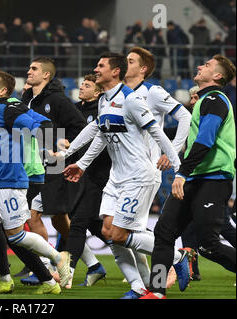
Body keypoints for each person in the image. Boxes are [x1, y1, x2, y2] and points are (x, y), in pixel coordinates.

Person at [62, 52, 190, 299]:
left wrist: (177, 165)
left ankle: (177, 257)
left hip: (140, 175)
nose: (95, 69)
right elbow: (100, 133)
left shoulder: (136, 98)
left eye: (101, 66)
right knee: (110, 234)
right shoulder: (105, 100)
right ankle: (138, 287)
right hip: (116, 177)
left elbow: (158, 132)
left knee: (121, 234)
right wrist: (80, 161)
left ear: (116, 71)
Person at [0, 69, 71, 296]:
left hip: (10, 183)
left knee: (16, 236)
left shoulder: (8, 110)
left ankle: (58, 258)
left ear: (3, 90)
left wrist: (50, 144)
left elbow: (37, 126)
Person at [143, 56, 236, 299]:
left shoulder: (215, 100)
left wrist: (181, 173)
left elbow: (205, 141)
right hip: (195, 178)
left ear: (217, 76)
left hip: (212, 180)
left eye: (206, 65)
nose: (199, 66)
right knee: (163, 234)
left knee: (208, 245)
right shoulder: (205, 101)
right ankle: (157, 290)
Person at [124, 46, 192, 287]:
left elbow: (185, 116)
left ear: (143, 69)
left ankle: (173, 261)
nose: (125, 64)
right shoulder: (119, 95)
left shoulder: (152, 92)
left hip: (144, 171)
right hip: (121, 172)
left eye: (130, 61)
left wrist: (171, 149)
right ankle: (147, 282)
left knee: (121, 231)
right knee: (120, 230)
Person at [21, 57, 86, 280]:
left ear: (46, 75)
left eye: (34, 68)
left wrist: (68, 142)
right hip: (34, 163)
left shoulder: (57, 100)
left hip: (54, 164)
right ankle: (92, 263)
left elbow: (81, 127)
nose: (29, 71)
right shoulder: (28, 100)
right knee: (57, 219)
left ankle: (46, 267)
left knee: (33, 216)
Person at [54, 74, 109, 287]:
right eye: (82, 84)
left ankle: (65, 271)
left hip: (96, 175)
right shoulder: (74, 109)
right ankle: (95, 267)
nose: (82, 87)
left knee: (76, 222)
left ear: (98, 92)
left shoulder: (100, 112)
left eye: (87, 85)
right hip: (74, 172)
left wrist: (73, 148)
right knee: (95, 226)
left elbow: (100, 144)